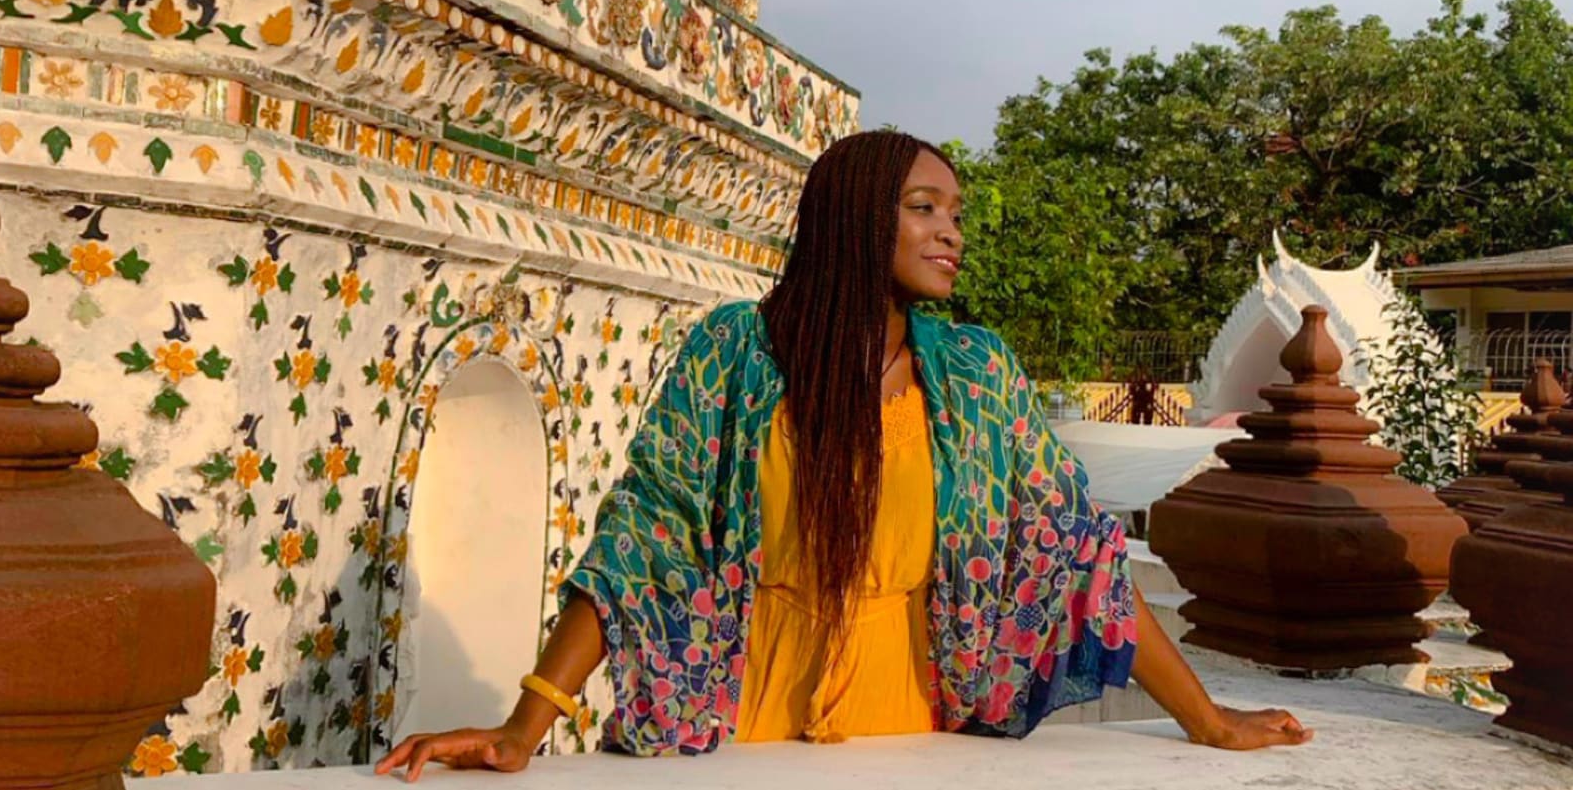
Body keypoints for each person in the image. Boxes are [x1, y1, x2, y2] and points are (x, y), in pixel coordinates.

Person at [377, 131, 1310, 778]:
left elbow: (1084, 555)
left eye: (955, 211)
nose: (951, 230)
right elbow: (641, 538)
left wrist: (1209, 720)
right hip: (741, 719)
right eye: (923, 206)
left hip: (910, 726)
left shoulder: (977, 376)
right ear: (856, 216)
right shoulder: (736, 354)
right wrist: (522, 725)